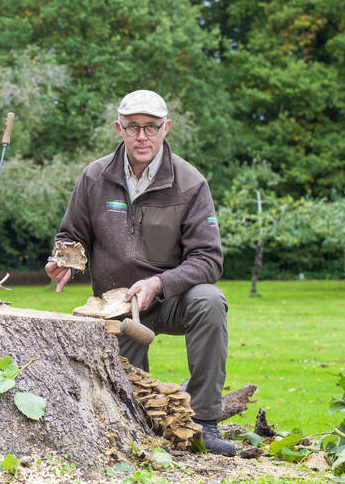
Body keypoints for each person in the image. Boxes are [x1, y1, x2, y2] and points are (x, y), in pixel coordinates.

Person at [45, 89, 234, 456]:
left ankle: (205, 421)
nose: (142, 136)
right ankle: (142, 427)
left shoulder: (190, 182)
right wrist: (65, 260)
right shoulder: (95, 176)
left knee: (210, 300)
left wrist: (160, 283)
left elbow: (209, 258)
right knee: (128, 410)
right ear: (120, 128)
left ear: (167, 128)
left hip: (171, 298)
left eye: (151, 127)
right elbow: (71, 235)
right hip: (115, 306)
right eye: (133, 127)